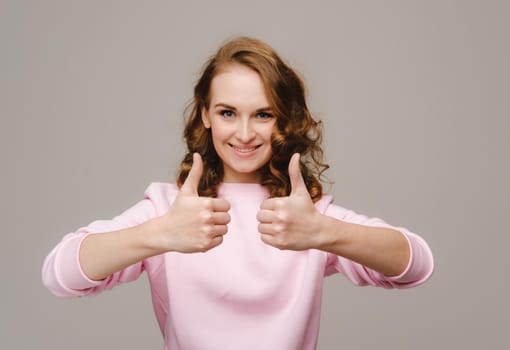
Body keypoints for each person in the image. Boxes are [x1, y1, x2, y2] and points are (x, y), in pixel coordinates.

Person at [42, 37, 434, 350]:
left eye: (263, 114)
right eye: (228, 112)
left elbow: (415, 266)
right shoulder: (170, 210)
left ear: (283, 119)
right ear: (205, 115)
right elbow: (60, 276)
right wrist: (158, 234)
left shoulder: (304, 216)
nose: (244, 134)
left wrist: (325, 233)